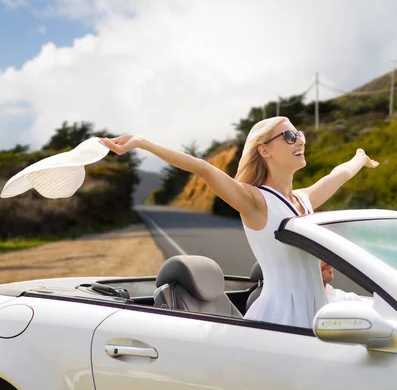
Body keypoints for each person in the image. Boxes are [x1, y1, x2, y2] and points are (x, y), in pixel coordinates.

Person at [101, 116, 378, 328]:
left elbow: (339, 174)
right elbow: (203, 168)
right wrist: (142, 143)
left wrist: (358, 158)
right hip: (281, 320)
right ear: (265, 151)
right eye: (290, 136)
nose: (301, 140)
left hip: (317, 311)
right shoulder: (254, 201)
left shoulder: (304, 200)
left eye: (300, 134)